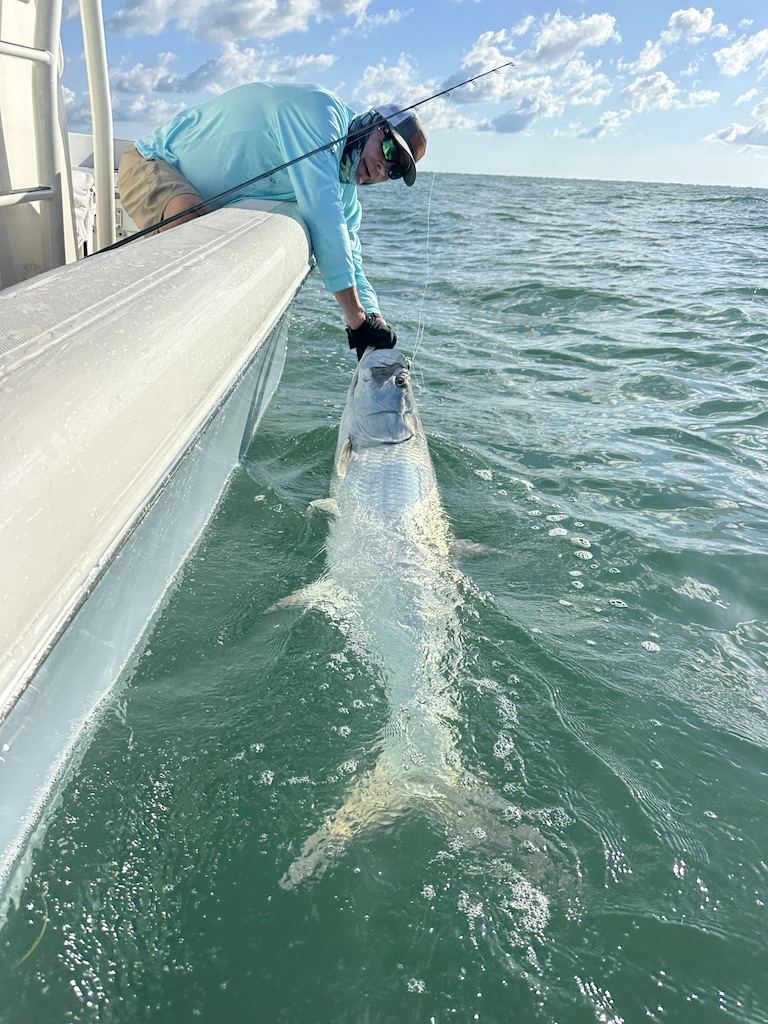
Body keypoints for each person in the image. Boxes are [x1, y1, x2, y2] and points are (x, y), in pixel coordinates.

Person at [117, 82, 428, 358]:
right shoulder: (320, 112)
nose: (383, 170)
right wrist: (357, 320)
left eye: (395, 171)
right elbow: (324, 215)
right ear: (372, 124)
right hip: (154, 163)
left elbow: (351, 254)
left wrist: (374, 317)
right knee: (199, 234)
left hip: (203, 199)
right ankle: (134, 344)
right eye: (388, 149)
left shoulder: (344, 191)